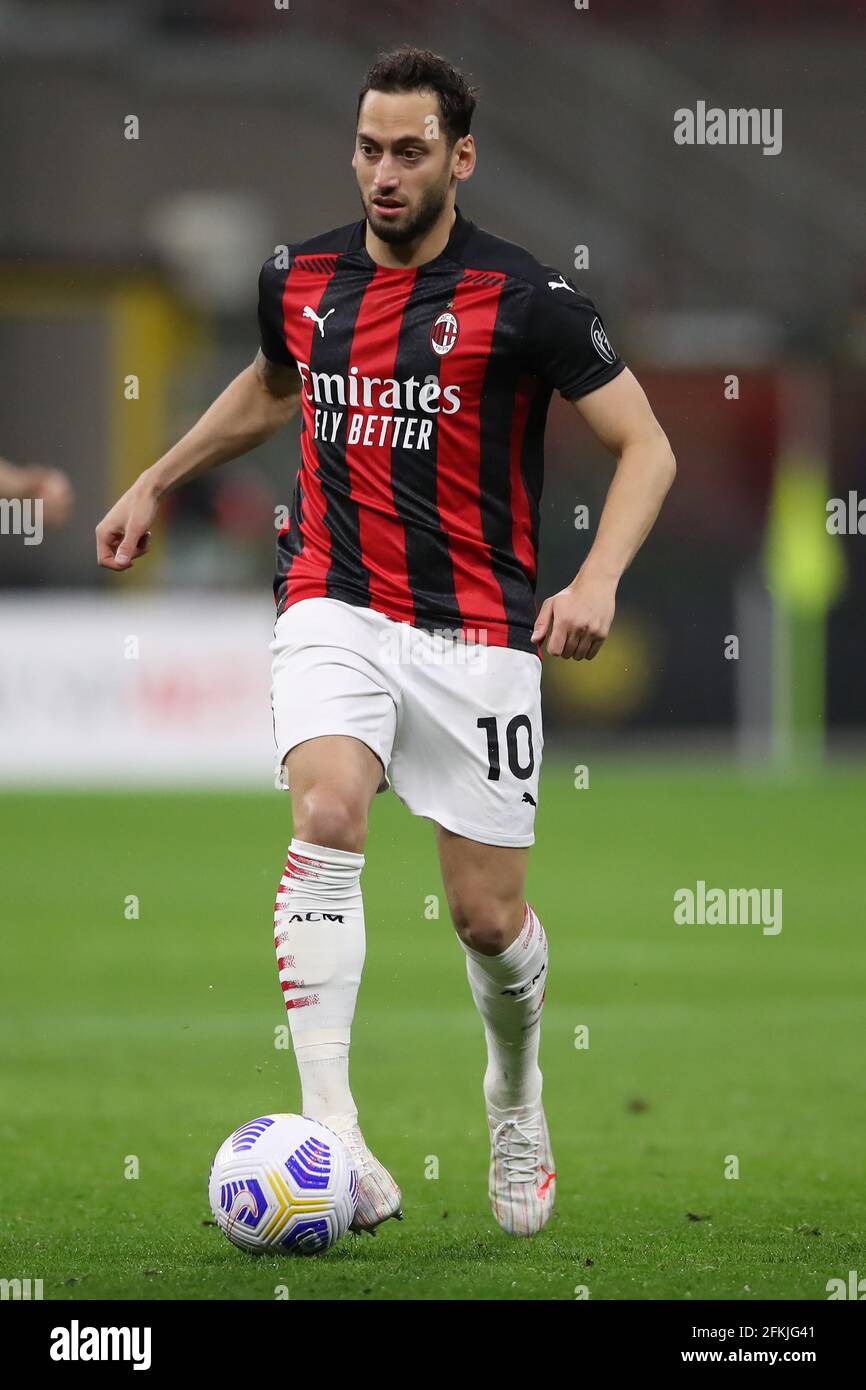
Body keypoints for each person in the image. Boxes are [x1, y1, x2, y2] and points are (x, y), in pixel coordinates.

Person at [95, 44, 675, 1239]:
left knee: (486, 920)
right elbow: (273, 385)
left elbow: (647, 446)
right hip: (331, 598)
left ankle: (514, 1095)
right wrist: (154, 477)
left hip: (476, 628)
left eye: (410, 150)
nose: (383, 172)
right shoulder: (296, 276)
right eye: (368, 148)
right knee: (324, 816)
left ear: (459, 158)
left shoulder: (527, 300)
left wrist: (598, 578)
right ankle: (336, 1136)